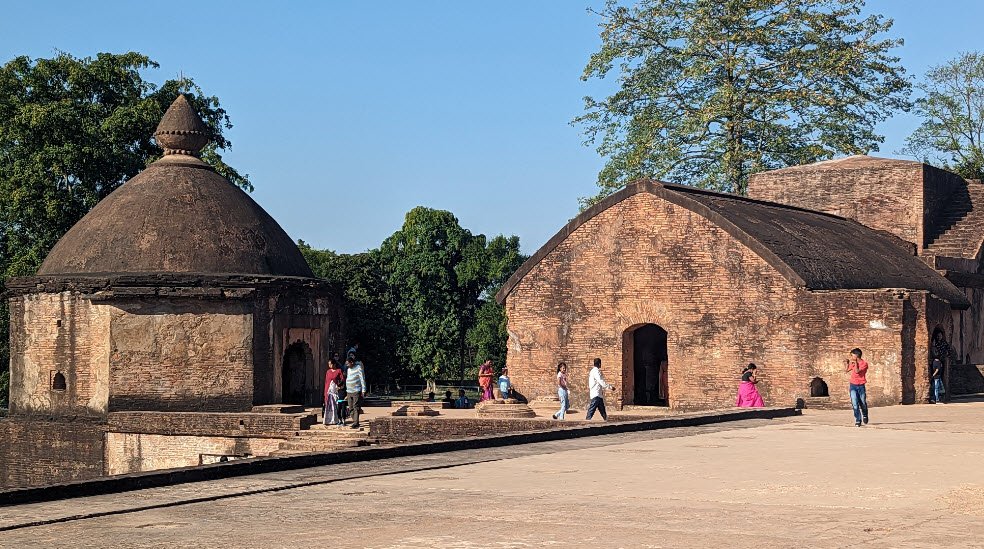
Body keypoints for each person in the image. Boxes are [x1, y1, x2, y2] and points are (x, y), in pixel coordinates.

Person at [845, 348, 869, 427]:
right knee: (855, 403)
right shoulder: (853, 363)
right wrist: (847, 364)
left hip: (861, 385)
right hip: (853, 385)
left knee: (862, 403)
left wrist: (855, 363)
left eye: (852, 355)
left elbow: (857, 371)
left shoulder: (864, 363)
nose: (851, 357)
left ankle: (865, 415)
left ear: (856, 355)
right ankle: (858, 420)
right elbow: (846, 370)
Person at [345, 356, 367, 429]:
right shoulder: (348, 370)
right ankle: (355, 420)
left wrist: (363, 390)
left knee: (356, 406)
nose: (347, 365)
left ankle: (356, 422)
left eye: (348, 363)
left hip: (356, 390)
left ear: (352, 362)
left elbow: (362, 379)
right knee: (350, 407)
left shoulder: (358, 368)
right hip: (349, 391)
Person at [323, 358, 345, 426]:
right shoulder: (328, 372)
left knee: (335, 405)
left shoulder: (339, 371)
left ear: (334, 364)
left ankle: (336, 420)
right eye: (328, 364)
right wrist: (325, 391)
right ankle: (328, 420)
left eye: (330, 364)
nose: (329, 365)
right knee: (328, 405)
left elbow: (343, 379)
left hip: (335, 391)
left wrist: (340, 387)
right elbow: (326, 382)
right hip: (328, 390)